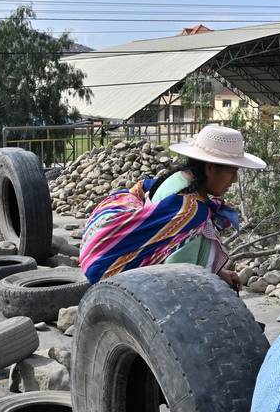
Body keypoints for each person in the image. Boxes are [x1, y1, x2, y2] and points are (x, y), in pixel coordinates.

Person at [79, 123, 265, 289]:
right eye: (232, 172)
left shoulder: (176, 179)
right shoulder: (190, 211)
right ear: (210, 167)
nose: (235, 179)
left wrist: (219, 274)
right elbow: (179, 278)